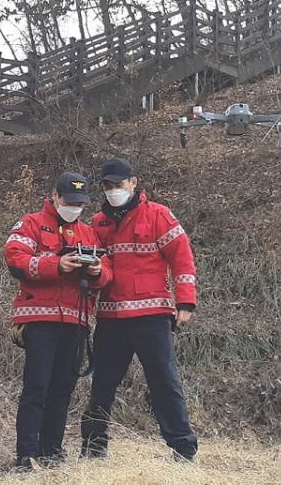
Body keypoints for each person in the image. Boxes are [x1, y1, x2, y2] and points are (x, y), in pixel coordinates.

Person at [81, 157, 198, 461]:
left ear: (133, 183)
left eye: (118, 184)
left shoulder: (159, 215)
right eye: (107, 186)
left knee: (164, 382)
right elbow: (99, 268)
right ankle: (93, 448)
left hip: (152, 317)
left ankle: (184, 449)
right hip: (111, 318)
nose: (112, 190)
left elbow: (182, 258)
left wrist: (185, 301)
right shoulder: (98, 223)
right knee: (102, 385)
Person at [4, 172, 112, 470]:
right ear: (55, 195)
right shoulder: (30, 223)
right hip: (40, 318)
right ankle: (26, 454)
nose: (75, 208)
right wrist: (57, 264)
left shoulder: (88, 233)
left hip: (76, 319)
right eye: (69, 201)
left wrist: (96, 272)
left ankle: (52, 450)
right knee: (37, 386)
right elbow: (15, 259)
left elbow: (107, 272)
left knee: (63, 388)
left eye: (80, 204)